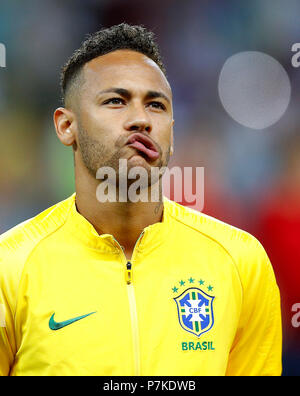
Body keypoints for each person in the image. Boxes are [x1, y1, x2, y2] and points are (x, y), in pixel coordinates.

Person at [0, 23, 281, 376]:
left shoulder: (240, 263)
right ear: (66, 126)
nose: (141, 119)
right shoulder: (9, 268)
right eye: (116, 101)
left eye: (156, 105)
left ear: (172, 131)